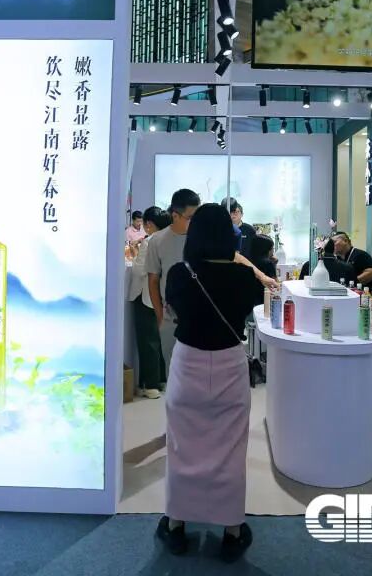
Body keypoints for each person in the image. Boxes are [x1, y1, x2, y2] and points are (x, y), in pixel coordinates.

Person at [158, 204, 261, 561]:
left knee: (182, 446)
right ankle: (232, 530)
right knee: (230, 449)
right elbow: (249, 306)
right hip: (231, 363)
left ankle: (176, 524)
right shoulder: (244, 277)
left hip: (188, 363)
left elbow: (174, 311)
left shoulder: (179, 274)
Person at [145, 189, 201, 373]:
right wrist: (160, 316)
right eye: (190, 217)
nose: (195, 222)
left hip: (201, 316)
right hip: (171, 318)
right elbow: (153, 281)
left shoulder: (201, 239)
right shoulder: (157, 241)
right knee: (174, 373)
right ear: (175, 215)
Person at [128, 206, 171, 398]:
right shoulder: (169, 240)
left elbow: (139, 270)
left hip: (145, 295)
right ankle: (160, 379)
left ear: (150, 224)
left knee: (147, 341)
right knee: (158, 339)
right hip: (162, 296)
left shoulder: (149, 242)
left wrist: (135, 253)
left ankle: (150, 385)